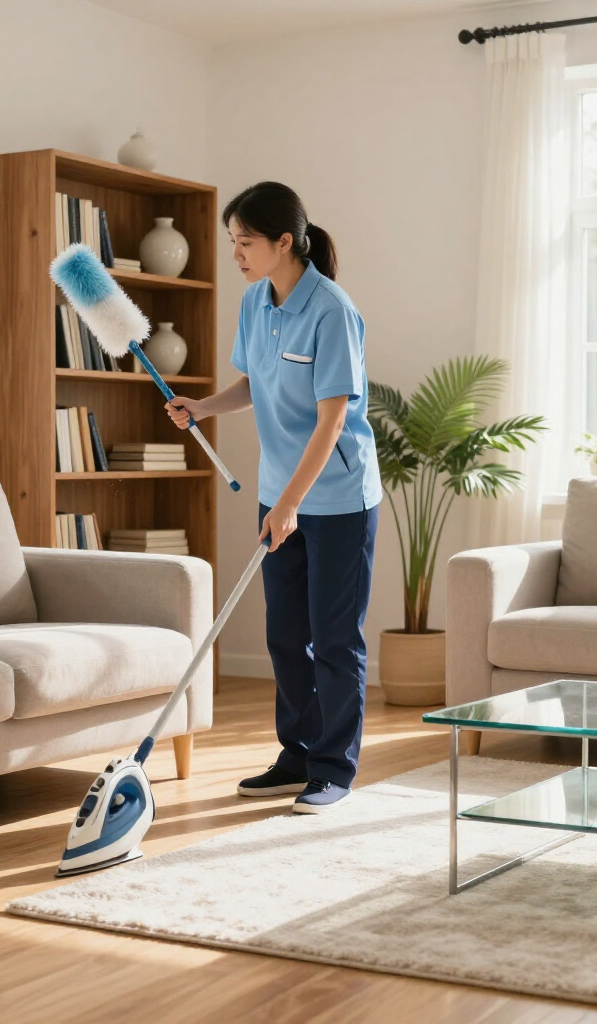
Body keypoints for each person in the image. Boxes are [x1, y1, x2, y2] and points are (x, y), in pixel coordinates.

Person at [165, 181, 381, 813]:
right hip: (278, 494)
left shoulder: (332, 311)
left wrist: (291, 502)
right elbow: (255, 381)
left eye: (245, 242)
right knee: (286, 635)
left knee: (335, 638)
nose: (236, 253)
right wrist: (203, 408)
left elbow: (332, 419)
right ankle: (297, 754)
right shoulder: (255, 301)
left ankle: (334, 768)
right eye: (232, 241)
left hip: (336, 498)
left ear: (284, 242)